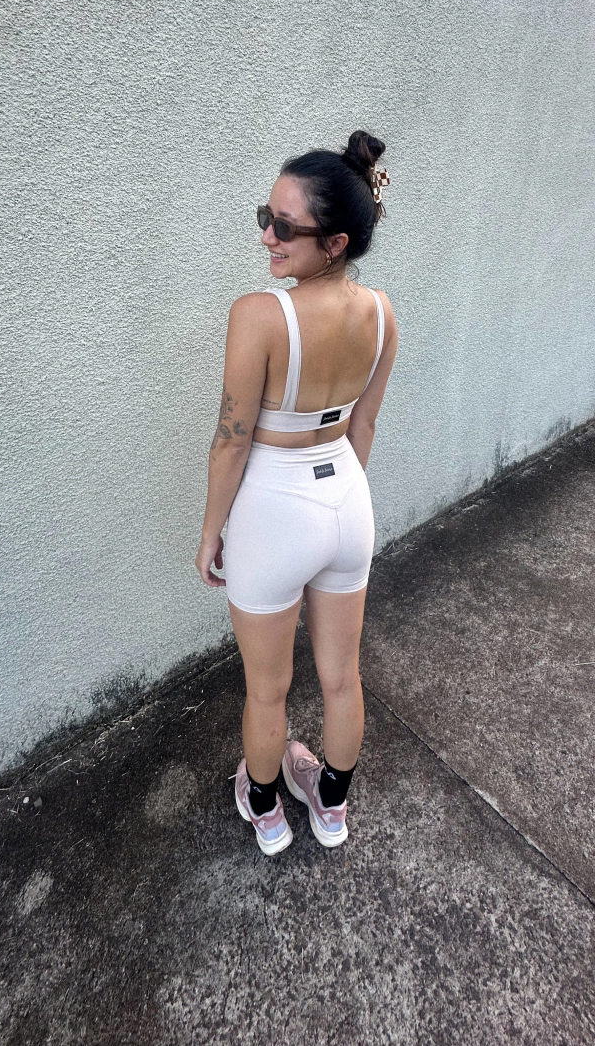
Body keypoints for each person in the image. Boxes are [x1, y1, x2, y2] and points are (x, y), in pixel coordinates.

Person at [195, 131, 398, 855]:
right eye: (265, 217)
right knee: (342, 678)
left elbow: (232, 439)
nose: (267, 238)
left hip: (272, 511)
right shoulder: (382, 313)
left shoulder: (260, 314)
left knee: (268, 689)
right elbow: (363, 424)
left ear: (335, 242)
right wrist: (338, 506)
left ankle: (265, 809)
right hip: (347, 500)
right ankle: (331, 806)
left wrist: (211, 532)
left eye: (285, 228)